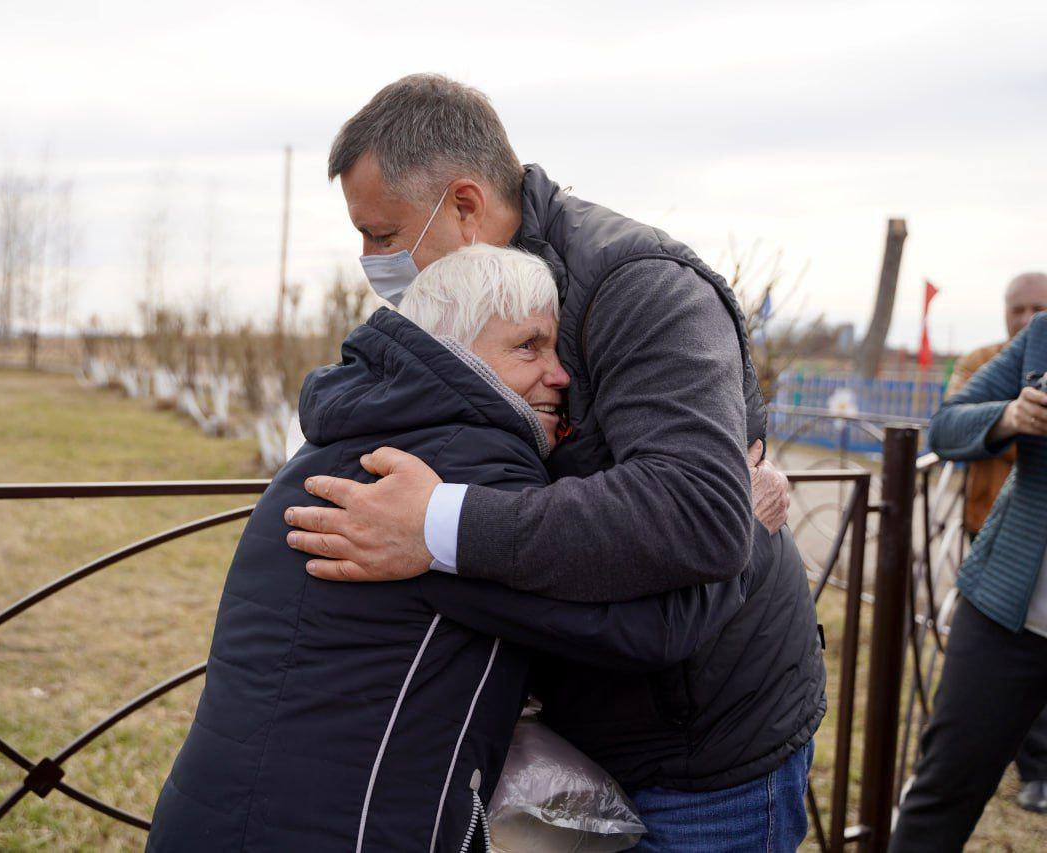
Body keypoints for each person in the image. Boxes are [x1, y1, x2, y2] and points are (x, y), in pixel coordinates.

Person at [284, 74, 823, 850]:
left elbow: (698, 513)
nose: (372, 260)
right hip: (561, 745)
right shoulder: (467, 303)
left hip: (702, 760)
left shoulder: (637, 286)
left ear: (464, 206)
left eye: (382, 233)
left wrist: (436, 524)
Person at [147, 246, 777, 852]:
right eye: (528, 346)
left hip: (228, 813)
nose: (560, 375)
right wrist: (740, 524)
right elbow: (648, 630)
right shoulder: (445, 472)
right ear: (453, 349)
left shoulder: (346, 440)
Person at [891, 309, 1047, 851]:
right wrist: (1010, 417)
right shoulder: (1043, 336)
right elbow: (946, 424)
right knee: (943, 791)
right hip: (1007, 611)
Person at [944, 271, 1047, 814]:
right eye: (1019, 309)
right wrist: (1010, 418)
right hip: (992, 526)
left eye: (1039, 308)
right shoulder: (985, 356)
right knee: (1000, 652)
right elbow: (952, 419)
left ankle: (1037, 769)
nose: (1027, 319)